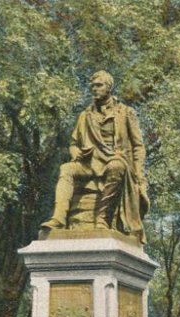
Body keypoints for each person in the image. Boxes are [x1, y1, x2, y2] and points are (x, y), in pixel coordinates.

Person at [41, 71, 149, 242]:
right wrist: (76, 153)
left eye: (98, 85)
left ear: (109, 87)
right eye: (92, 86)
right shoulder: (85, 115)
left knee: (117, 166)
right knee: (66, 169)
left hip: (115, 161)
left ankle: (103, 219)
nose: (94, 89)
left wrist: (139, 174)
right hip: (90, 163)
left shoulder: (126, 113)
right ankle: (59, 218)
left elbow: (138, 146)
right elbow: (74, 143)